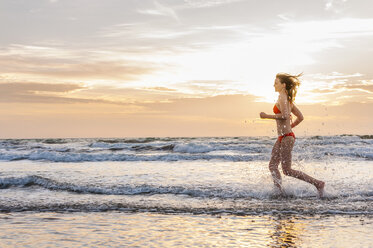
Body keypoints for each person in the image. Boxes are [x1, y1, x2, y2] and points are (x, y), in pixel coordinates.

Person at [259, 73, 325, 197]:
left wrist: (266, 116)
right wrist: (290, 128)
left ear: (283, 85)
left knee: (287, 170)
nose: (274, 85)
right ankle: (278, 192)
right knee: (273, 165)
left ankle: (318, 183)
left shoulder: (284, 98)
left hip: (287, 137)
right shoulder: (286, 99)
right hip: (284, 136)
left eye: (276, 82)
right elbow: (300, 117)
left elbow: (284, 115)